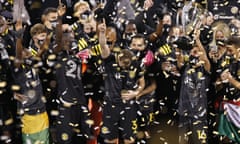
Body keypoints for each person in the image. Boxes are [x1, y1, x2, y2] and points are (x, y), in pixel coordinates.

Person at [98, 19, 145, 144]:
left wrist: (135, 93)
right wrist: (102, 33)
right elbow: (103, 45)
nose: (124, 67)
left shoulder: (135, 64)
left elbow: (142, 83)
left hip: (129, 107)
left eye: (126, 65)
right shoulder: (109, 60)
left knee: (129, 140)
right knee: (111, 140)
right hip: (110, 106)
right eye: (121, 63)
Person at [12, 20, 50, 144]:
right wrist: (18, 37)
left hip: (42, 111)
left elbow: (41, 51)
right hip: (29, 115)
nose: (27, 51)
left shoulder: (32, 63)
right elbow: (18, 55)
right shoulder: (18, 69)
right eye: (24, 51)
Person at [177, 24, 211, 144]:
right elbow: (179, 59)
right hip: (184, 112)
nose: (195, 50)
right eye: (193, 49)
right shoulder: (185, 68)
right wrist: (181, 43)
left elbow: (205, 57)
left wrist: (197, 40)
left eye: (198, 49)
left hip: (199, 114)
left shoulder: (205, 68)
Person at [216, 36, 240, 143]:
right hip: (227, 106)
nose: (228, 53)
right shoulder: (229, 63)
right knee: (225, 137)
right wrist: (220, 82)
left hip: (238, 107)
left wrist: (230, 79)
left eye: (231, 50)